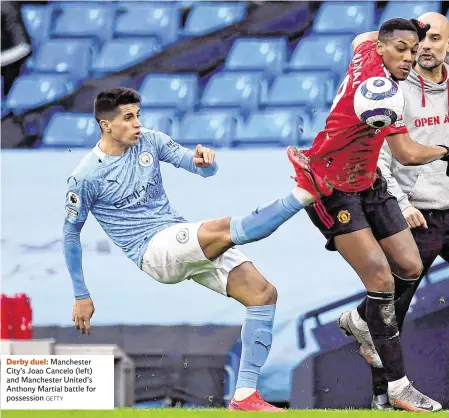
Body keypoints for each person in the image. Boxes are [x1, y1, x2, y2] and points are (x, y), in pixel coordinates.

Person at [63, 88, 315, 412]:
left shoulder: (150, 141)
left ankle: (244, 397)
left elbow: (198, 167)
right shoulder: (85, 176)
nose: (137, 123)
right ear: (105, 125)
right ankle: (304, 193)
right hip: (152, 251)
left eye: (138, 115)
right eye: (128, 118)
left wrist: (205, 162)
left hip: (176, 234)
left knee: (263, 294)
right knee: (223, 228)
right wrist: (81, 295)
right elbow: (71, 234)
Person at [287, 18, 448, 412]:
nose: (410, 58)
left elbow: (362, 35)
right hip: (331, 186)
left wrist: (389, 37)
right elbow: (408, 154)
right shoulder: (381, 95)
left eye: (414, 49)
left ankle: (360, 322)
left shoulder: (365, 48)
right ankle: (397, 387)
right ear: (383, 50)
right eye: (402, 50)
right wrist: (445, 150)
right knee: (380, 278)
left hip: (367, 180)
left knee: (409, 267)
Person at [340, 12, 449, 410]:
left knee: (380, 309)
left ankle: (358, 318)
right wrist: (401, 206)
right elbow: (381, 158)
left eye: (435, 38)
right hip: (415, 212)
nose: (426, 47)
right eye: (420, 40)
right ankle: (384, 396)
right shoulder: (392, 88)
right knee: (390, 311)